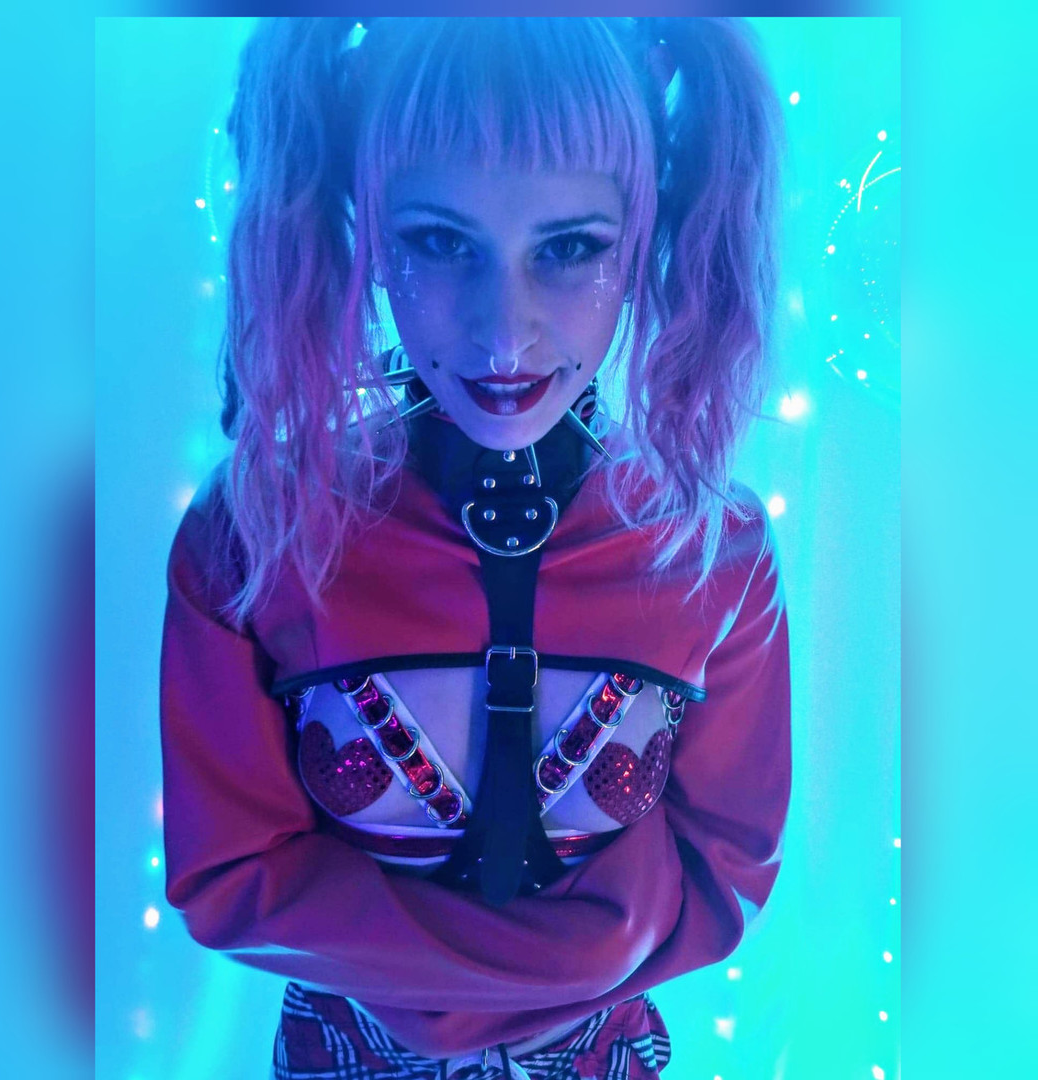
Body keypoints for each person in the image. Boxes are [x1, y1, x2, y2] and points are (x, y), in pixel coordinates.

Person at [159, 16, 790, 1080]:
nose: (505, 334)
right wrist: (575, 963)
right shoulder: (255, 535)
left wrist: (437, 991)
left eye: (570, 247)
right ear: (367, 234)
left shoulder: (714, 549)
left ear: (643, 242)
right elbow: (228, 879)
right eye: (440, 243)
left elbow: (723, 869)